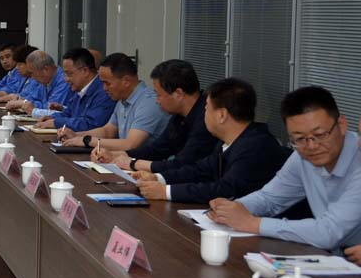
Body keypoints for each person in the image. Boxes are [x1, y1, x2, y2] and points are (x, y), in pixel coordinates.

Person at [209, 86, 361, 253]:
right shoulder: (302, 157)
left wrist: (252, 223)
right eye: (299, 138)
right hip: (330, 258)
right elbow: (269, 198)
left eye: (320, 135)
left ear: (342, 125)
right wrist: (233, 208)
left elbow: (328, 232)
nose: (312, 146)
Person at [132, 78, 289, 202]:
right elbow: (200, 171)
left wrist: (165, 192)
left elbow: (225, 190)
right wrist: (158, 178)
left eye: (206, 109)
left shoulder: (256, 146)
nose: (203, 115)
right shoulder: (229, 142)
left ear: (222, 115)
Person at [95, 60, 217, 172]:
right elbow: (157, 149)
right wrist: (118, 155)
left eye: (159, 95)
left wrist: (133, 163)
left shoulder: (207, 118)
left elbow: (183, 164)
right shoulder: (179, 115)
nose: (157, 101)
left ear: (178, 94)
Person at [60, 52, 168, 153]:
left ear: (126, 81)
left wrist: (87, 140)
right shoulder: (122, 99)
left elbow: (130, 145)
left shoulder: (149, 102)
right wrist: (76, 135)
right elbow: (107, 131)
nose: (104, 88)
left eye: (107, 83)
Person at [34, 47, 115, 132]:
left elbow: (91, 124)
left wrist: (56, 122)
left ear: (85, 71)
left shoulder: (104, 92)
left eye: (69, 74)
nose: (66, 79)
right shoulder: (79, 90)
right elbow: (68, 113)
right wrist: (52, 118)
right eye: (65, 74)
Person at [4, 50, 75, 114]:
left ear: (45, 69)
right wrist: (22, 100)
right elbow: (36, 99)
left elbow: (51, 108)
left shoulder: (64, 81)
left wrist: (24, 103)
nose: (31, 77)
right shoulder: (45, 80)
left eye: (32, 73)